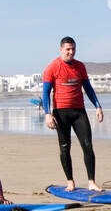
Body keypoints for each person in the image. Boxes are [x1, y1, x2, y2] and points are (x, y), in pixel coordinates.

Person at [42, 36, 103, 192]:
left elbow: (88, 88)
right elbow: (46, 93)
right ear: (61, 49)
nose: (71, 52)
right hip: (61, 113)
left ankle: (91, 182)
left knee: (88, 145)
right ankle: (70, 182)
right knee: (64, 147)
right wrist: (48, 114)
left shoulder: (80, 66)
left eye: (73, 49)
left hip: (78, 112)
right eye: (68, 49)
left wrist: (98, 106)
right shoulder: (52, 67)